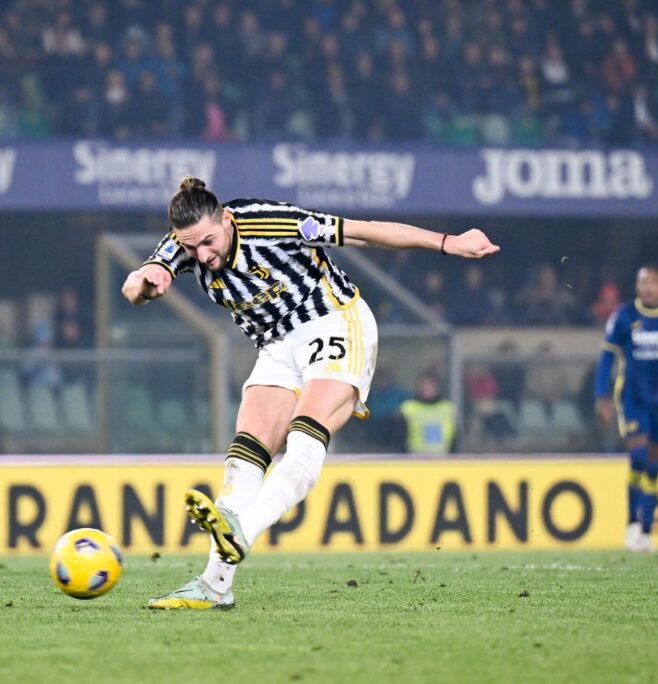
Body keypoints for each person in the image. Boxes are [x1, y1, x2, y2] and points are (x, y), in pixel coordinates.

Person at [123, 177, 498, 609]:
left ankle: (243, 528)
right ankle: (215, 585)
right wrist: (142, 282)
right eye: (192, 249)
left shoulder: (275, 224)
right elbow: (137, 286)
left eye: (208, 241)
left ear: (226, 219)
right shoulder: (181, 246)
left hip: (335, 322)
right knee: (246, 452)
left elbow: (364, 231)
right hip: (277, 345)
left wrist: (450, 243)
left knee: (305, 434)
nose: (203, 256)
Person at [594, 266, 658, 553]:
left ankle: (647, 531)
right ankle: (631, 525)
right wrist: (602, 396)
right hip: (632, 398)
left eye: (653, 282)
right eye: (643, 282)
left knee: (653, 467)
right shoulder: (624, 317)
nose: (648, 287)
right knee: (638, 457)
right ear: (637, 287)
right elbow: (606, 359)